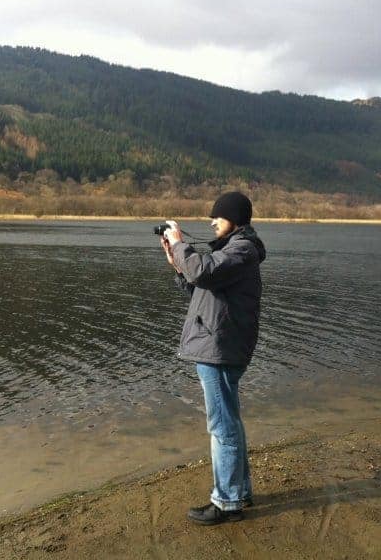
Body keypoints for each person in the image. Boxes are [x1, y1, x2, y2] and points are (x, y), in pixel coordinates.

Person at [159, 191, 266, 525]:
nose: (211, 221)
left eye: (217, 216)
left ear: (233, 218)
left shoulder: (241, 250)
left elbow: (203, 272)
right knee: (229, 421)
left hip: (219, 349)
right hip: (219, 345)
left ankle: (228, 501)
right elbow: (202, 287)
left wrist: (179, 244)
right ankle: (239, 492)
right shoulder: (235, 252)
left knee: (222, 426)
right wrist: (178, 265)